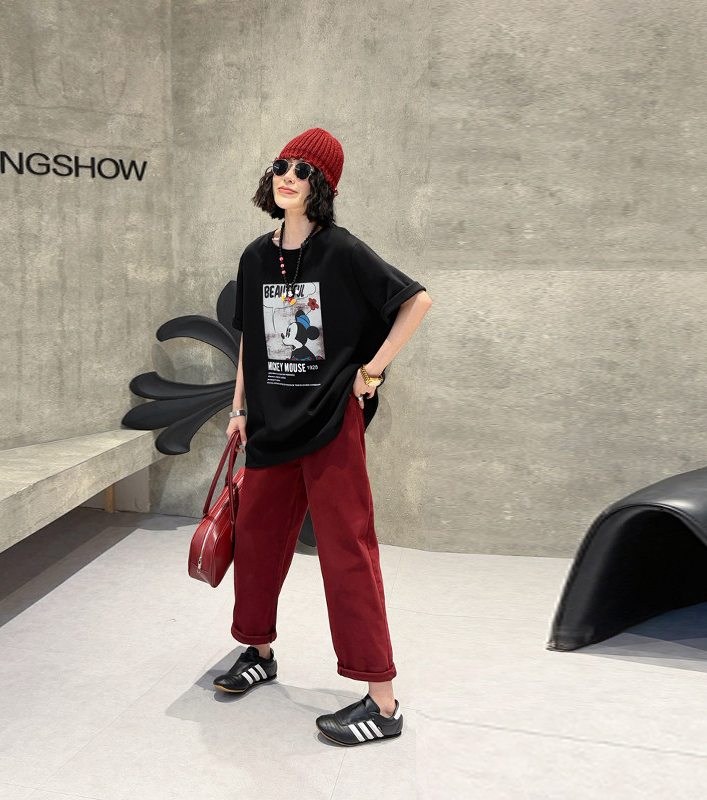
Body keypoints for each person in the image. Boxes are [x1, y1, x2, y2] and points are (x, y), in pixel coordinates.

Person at [213, 127, 432, 746]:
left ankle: (382, 702)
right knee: (258, 542)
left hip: (332, 422)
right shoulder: (255, 256)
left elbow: (416, 301)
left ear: (322, 185)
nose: (288, 176)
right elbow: (252, 340)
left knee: (346, 552)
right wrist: (239, 407)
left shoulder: (342, 250)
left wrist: (371, 371)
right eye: (282, 165)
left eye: (304, 170)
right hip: (270, 423)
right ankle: (257, 651)